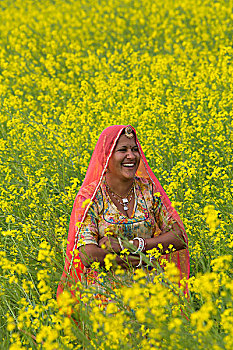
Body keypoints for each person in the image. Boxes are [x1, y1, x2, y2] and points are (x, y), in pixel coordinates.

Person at [57, 125, 190, 298]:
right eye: (122, 150)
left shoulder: (148, 189)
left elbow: (179, 236)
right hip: (106, 299)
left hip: (151, 296)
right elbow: (88, 254)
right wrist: (132, 260)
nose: (131, 156)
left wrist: (133, 246)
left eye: (135, 149)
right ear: (106, 156)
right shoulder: (90, 196)